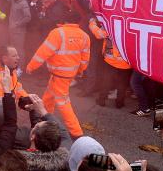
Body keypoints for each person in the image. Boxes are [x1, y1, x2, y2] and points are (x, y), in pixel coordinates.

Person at [26, 10, 90, 138]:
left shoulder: (58, 33)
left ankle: (77, 133)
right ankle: (44, 119)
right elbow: (85, 58)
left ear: (65, 20)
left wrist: (31, 66)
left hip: (58, 73)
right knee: (49, 97)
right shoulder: (84, 36)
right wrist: (80, 70)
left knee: (63, 103)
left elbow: (43, 52)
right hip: (68, 74)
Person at [87, 17, 131, 108]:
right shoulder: (132, 26)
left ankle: (101, 100)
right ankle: (120, 103)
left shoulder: (111, 24)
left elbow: (98, 34)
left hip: (111, 60)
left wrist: (92, 22)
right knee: (122, 83)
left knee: (106, 80)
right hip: (126, 62)